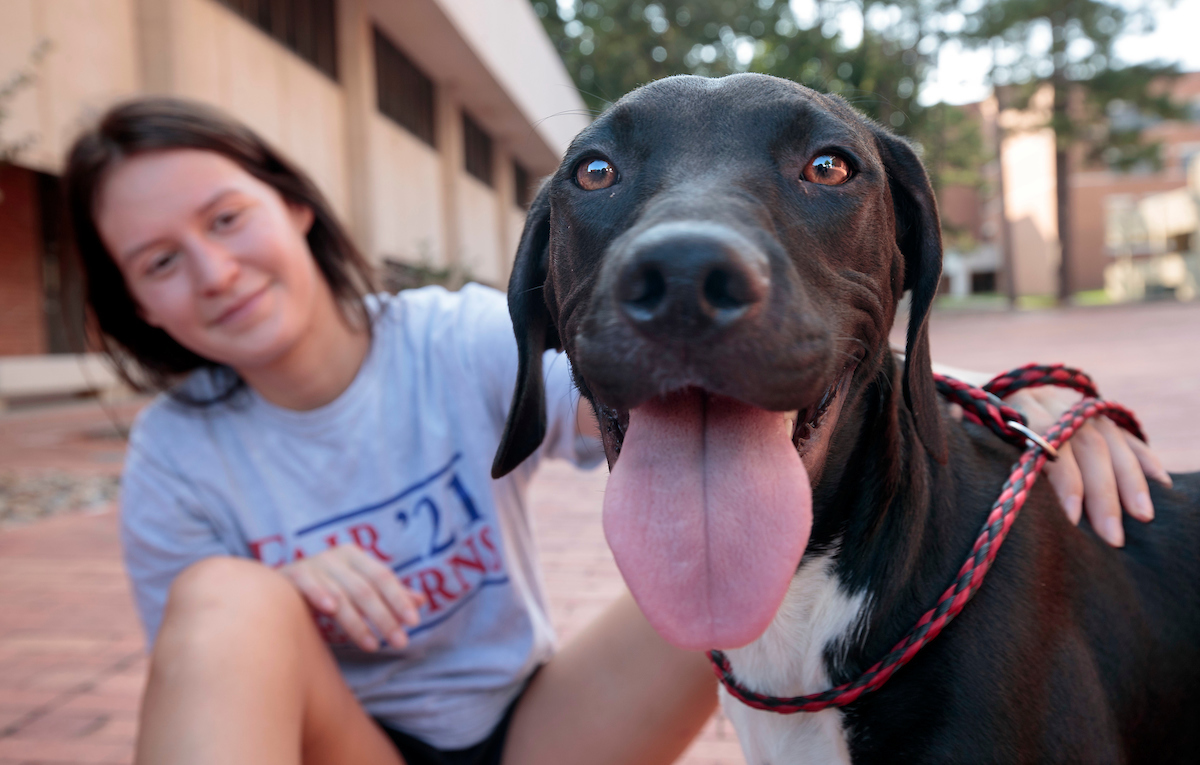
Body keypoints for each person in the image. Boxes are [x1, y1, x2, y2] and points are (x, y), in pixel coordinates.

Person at [64, 98, 1168, 765]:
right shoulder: (174, 457)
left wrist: (1025, 405)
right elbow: (210, 693)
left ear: (289, 203)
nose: (213, 270)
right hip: (347, 751)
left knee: (736, 494)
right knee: (226, 598)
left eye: (225, 219)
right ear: (133, 302)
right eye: (160, 261)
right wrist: (286, 591)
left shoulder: (449, 345)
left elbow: (850, 375)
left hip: (542, 733)